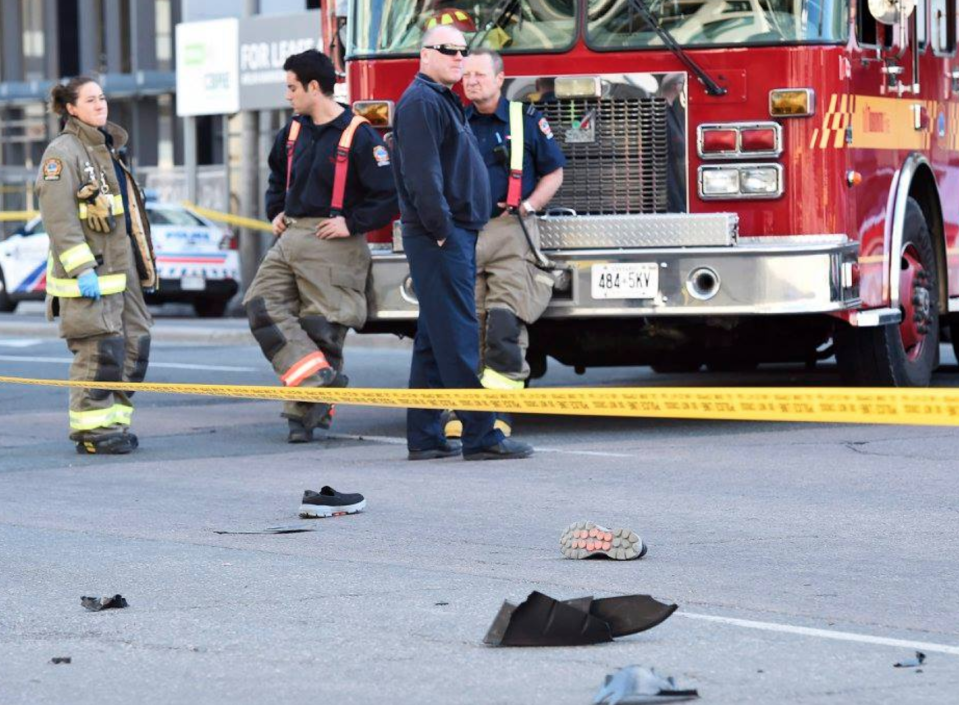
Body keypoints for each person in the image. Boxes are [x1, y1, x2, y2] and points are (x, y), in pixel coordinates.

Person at [392, 25, 533, 461]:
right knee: (458, 334)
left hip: (450, 232)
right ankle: (480, 434)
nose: (457, 57)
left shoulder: (438, 99)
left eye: (462, 51)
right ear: (424, 54)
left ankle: (425, 437)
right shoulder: (420, 103)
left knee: (434, 338)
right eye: (447, 50)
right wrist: (440, 229)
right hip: (440, 235)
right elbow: (423, 177)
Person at [244, 50, 397, 443]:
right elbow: (277, 178)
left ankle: (305, 417)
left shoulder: (360, 134)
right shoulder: (292, 131)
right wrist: (276, 210)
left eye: (292, 87)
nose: (287, 95)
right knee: (260, 304)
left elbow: (389, 196)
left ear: (315, 87)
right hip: (291, 237)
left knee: (321, 328)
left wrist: (352, 222)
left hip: (336, 244)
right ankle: (318, 378)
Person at [445, 49, 565, 439]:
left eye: (480, 74)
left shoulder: (526, 121)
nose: (472, 81)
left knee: (503, 323)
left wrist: (529, 205)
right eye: (467, 75)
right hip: (463, 232)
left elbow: (554, 172)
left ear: (500, 78)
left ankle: (500, 413)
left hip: (510, 230)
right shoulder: (453, 120)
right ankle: (461, 412)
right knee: (466, 325)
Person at [36, 76, 156, 455]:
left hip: (125, 272)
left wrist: (144, 267)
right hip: (92, 275)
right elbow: (59, 219)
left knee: (135, 344)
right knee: (98, 351)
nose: (100, 104)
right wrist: (82, 268)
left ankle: (114, 421)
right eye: (90, 100)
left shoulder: (109, 149)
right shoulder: (62, 153)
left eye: (102, 98)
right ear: (71, 108)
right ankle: (92, 430)